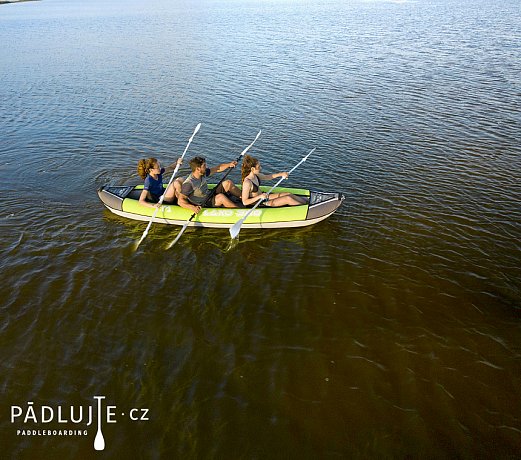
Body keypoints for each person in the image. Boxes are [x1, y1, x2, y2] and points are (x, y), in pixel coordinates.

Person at [178, 156, 242, 213]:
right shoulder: (189, 184)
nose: (206, 167)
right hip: (204, 202)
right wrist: (192, 207)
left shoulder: (203, 173)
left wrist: (229, 164)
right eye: (204, 166)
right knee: (221, 197)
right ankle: (240, 213)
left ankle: (244, 199)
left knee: (228, 183)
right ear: (198, 169)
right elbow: (180, 201)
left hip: (208, 194)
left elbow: (217, 168)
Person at [240, 155, 308, 207]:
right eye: (259, 167)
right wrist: (259, 197)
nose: (261, 168)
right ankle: (304, 208)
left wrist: (281, 174)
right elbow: (245, 202)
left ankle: (306, 202)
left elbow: (268, 177)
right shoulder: (247, 182)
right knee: (288, 199)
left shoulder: (256, 175)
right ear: (252, 169)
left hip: (264, 197)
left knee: (288, 194)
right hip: (259, 203)